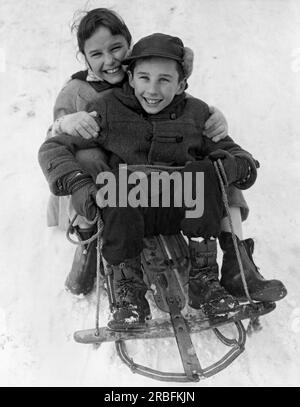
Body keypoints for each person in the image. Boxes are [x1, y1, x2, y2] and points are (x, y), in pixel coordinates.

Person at [39, 33, 287, 329]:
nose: (153, 90)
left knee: (205, 171)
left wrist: (234, 167)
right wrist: (79, 184)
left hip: (179, 210)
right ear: (130, 79)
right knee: (114, 182)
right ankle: (128, 293)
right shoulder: (105, 108)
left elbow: (237, 153)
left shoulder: (195, 113)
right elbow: (53, 148)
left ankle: (204, 281)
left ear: (182, 84)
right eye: (144, 78)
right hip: (129, 210)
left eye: (165, 81)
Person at [46, 9, 251, 297]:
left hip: (151, 179)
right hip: (103, 184)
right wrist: (62, 123)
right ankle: (90, 238)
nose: (110, 60)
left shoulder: (148, 72)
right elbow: (54, 146)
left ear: (129, 45)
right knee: (90, 158)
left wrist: (211, 120)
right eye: (97, 54)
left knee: (213, 167)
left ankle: (237, 257)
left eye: (116, 48)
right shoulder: (78, 91)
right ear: (84, 57)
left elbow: (177, 104)